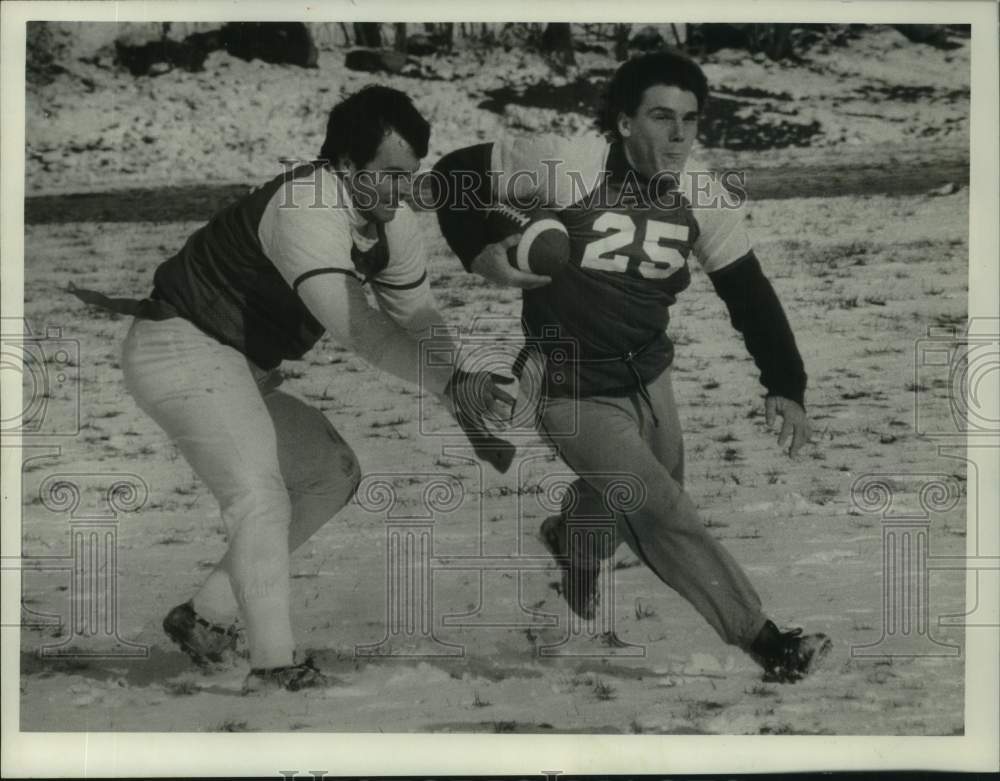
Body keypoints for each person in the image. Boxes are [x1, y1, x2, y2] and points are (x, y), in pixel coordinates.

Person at [72, 86, 511, 693]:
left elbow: (417, 320)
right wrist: (453, 383)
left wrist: (460, 395)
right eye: (387, 175)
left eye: (410, 175)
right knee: (261, 498)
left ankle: (206, 615)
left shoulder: (392, 219)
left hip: (233, 363)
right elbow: (361, 330)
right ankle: (274, 666)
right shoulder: (308, 203)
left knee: (331, 473)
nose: (401, 190)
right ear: (346, 166)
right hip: (180, 348)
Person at [432, 51, 831, 683]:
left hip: (649, 378)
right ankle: (768, 643)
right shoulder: (566, 163)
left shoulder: (704, 195)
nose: (678, 136)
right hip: (564, 383)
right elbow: (452, 174)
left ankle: (571, 548)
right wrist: (480, 249)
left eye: (691, 120)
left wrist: (786, 384)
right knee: (661, 508)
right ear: (623, 122)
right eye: (661, 117)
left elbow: (748, 291)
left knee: (622, 496)